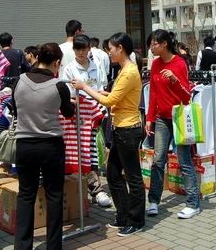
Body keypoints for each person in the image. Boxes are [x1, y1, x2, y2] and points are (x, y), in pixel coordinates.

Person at [72, 33, 144, 237]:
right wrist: (103, 93)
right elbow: (116, 97)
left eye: (110, 49)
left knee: (133, 178)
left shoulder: (129, 72)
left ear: (120, 48)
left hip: (128, 130)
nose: (108, 52)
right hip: (121, 129)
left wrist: (85, 87)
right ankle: (123, 215)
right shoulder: (124, 69)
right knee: (112, 174)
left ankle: (136, 221)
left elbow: (110, 102)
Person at [14, 43, 75, 250]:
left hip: (24, 144)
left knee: (25, 195)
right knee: (54, 195)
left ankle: (22, 246)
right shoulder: (59, 86)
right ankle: (53, 246)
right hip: (51, 146)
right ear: (56, 62)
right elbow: (68, 112)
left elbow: (16, 108)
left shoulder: (20, 81)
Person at [145, 30, 199, 219]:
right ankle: (153, 201)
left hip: (179, 117)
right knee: (158, 160)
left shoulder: (179, 63)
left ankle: (193, 203)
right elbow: (153, 93)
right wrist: (149, 118)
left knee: (184, 161)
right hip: (162, 118)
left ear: (164, 44)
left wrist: (174, 80)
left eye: (154, 44)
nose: (151, 48)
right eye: (150, 44)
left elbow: (186, 96)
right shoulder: (155, 64)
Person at [61, 34, 112, 208]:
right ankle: (96, 189)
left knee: (95, 151)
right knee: (85, 151)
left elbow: (100, 88)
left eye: (83, 49)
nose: (81, 52)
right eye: (77, 49)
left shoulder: (96, 65)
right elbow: (68, 95)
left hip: (98, 113)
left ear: (89, 49)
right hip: (80, 116)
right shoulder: (69, 69)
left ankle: (94, 188)